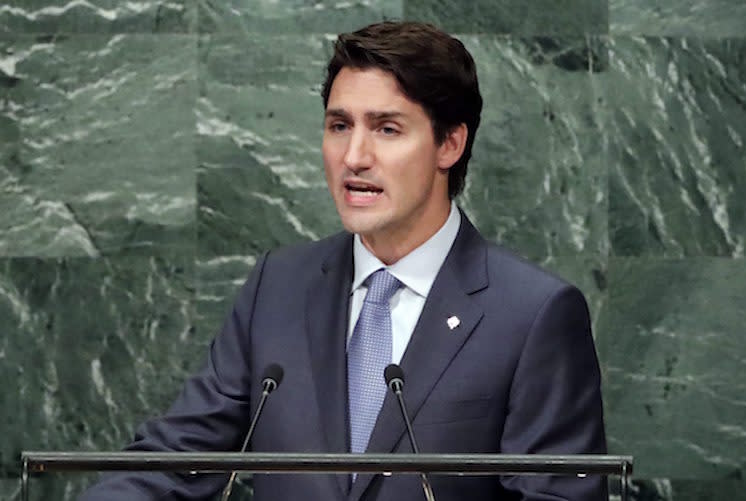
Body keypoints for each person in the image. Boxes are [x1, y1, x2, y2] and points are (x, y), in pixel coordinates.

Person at [80, 21, 607, 500]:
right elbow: (176, 460)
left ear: (449, 143)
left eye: (386, 129)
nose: (354, 157)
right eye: (339, 126)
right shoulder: (278, 287)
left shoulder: (533, 314)